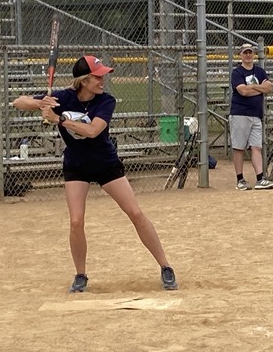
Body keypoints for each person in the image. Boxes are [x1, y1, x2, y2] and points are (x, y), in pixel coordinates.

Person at [12, 55, 178, 292]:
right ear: (84, 80)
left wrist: (59, 119)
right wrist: (41, 104)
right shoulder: (64, 97)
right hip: (77, 164)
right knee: (76, 221)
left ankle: (165, 266)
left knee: (135, 213)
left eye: (102, 76)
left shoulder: (106, 101)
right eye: (97, 77)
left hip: (104, 163)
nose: (102, 80)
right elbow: (18, 102)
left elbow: (92, 131)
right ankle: (80, 275)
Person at [229, 44, 273, 191]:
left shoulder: (260, 71)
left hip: (256, 115)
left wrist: (252, 87)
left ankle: (260, 179)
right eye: (245, 53)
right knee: (239, 147)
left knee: (256, 147)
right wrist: (259, 88)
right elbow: (243, 91)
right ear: (241, 55)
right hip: (240, 113)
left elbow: (269, 87)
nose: (248, 55)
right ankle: (240, 180)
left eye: (250, 52)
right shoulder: (237, 72)